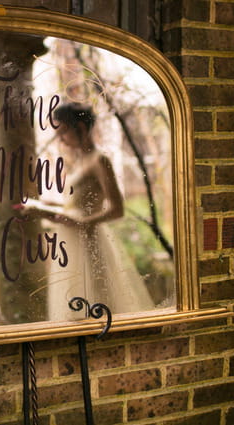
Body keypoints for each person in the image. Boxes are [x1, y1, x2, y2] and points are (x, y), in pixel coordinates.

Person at [22, 103, 155, 321]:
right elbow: (73, 206)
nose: (61, 139)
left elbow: (117, 209)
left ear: (81, 128)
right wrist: (44, 206)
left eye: (63, 131)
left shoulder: (99, 160)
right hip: (70, 239)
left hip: (87, 240)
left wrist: (85, 223)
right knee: (73, 303)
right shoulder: (77, 161)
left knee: (95, 300)